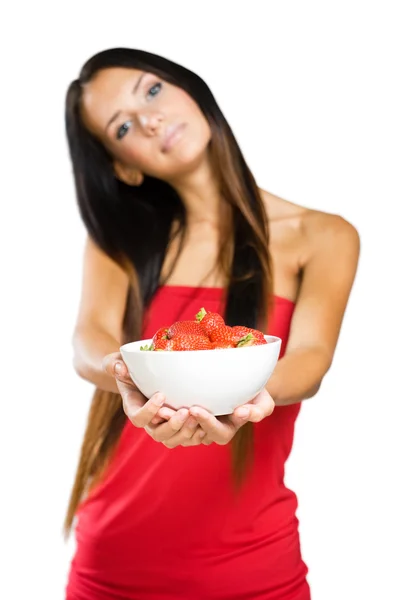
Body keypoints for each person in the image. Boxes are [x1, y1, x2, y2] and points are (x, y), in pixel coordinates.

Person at [63, 48, 360, 600]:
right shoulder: (121, 243)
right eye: (123, 126)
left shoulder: (324, 236)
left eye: (151, 90)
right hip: (113, 565)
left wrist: (238, 394)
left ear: (190, 90)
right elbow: (89, 344)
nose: (149, 118)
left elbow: (311, 361)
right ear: (124, 166)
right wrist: (130, 379)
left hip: (254, 566)